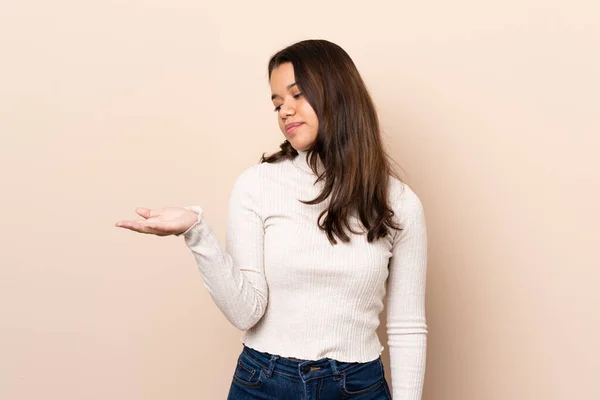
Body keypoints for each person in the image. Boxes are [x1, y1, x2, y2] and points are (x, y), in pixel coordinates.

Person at [115, 39, 428, 400]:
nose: (285, 111)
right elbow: (247, 312)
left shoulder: (399, 203)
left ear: (338, 95)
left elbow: (407, 327)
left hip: (357, 386)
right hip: (264, 382)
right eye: (278, 103)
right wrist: (196, 232)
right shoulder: (257, 185)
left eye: (297, 95)